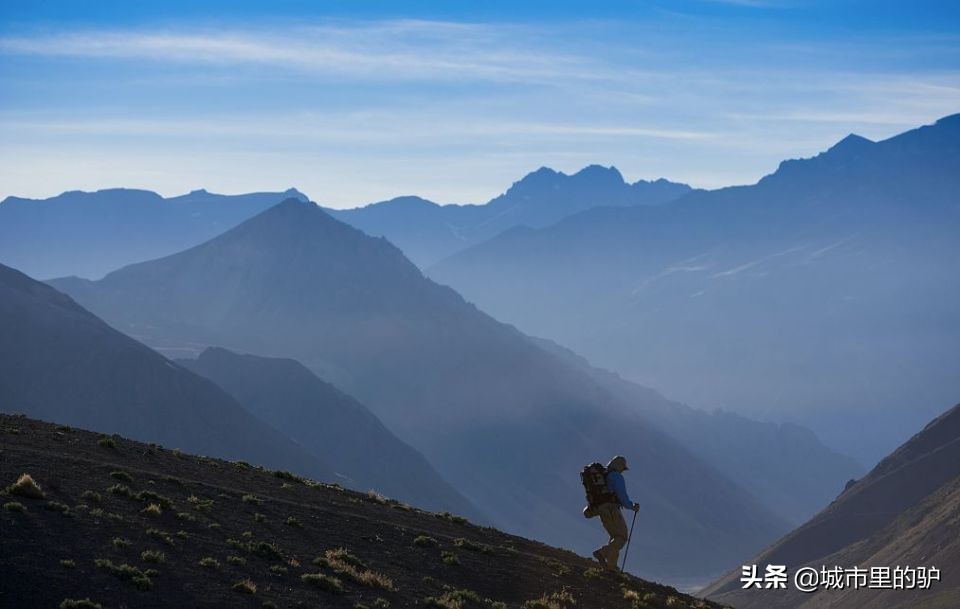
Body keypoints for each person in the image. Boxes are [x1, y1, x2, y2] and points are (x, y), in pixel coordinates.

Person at [592, 455, 639, 570]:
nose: (623, 471)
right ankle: (602, 553)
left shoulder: (604, 475)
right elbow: (622, 497)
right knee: (622, 537)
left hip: (601, 510)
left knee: (615, 537)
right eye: (623, 469)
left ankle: (611, 567)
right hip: (612, 509)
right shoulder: (616, 477)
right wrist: (632, 506)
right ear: (619, 466)